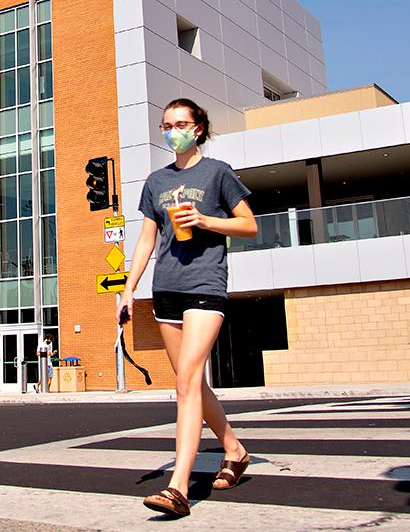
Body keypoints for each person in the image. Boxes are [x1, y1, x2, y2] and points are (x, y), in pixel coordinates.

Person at [119, 97, 258, 518]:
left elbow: (249, 224)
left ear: (198, 128)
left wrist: (205, 221)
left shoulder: (218, 173)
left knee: (186, 383)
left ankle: (178, 486)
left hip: (205, 285)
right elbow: (146, 240)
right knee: (190, 382)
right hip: (167, 289)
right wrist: (128, 289)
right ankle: (234, 449)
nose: (171, 130)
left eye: (180, 123)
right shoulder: (156, 181)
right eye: (166, 124)